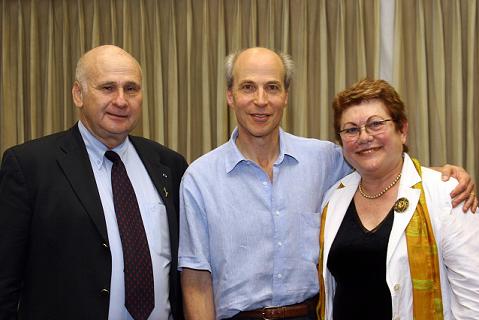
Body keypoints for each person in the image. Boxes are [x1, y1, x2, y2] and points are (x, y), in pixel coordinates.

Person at [178, 47, 476, 320]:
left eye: (272, 87)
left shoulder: (324, 159)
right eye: (247, 87)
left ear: (285, 96)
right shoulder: (199, 178)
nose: (261, 100)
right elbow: (196, 278)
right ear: (230, 96)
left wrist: (438, 176)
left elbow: (378, 161)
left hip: (310, 314)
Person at [0, 45, 187, 320]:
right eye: (108, 88)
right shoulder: (30, 166)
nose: (121, 100)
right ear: (78, 94)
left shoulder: (169, 164)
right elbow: (5, 280)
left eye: (131, 89)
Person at [317, 79, 479, 320]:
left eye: (376, 124)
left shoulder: (448, 194)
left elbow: (473, 297)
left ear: (402, 130)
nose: (364, 137)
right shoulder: (334, 197)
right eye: (351, 129)